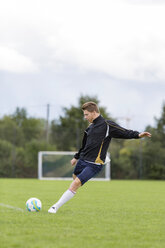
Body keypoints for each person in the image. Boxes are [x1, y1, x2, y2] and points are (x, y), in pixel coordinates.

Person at [48, 102, 151, 213]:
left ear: (94, 112)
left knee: (76, 183)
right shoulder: (89, 128)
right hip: (82, 160)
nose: (85, 117)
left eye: (86, 114)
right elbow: (84, 145)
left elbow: (124, 132)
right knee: (75, 179)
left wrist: (138, 135)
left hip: (94, 164)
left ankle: (55, 207)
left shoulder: (107, 125)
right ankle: (72, 189)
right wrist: (76, 157)